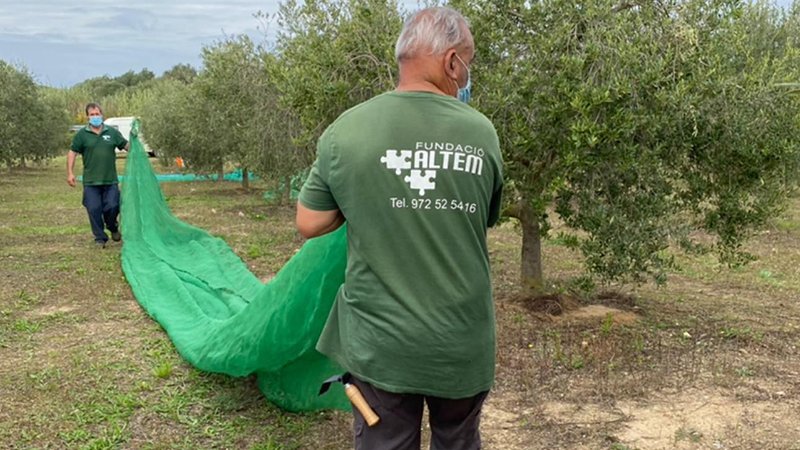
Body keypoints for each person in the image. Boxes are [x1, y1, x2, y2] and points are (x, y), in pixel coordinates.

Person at [296, 6, 503, 449]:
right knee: (458, 439)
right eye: (468, 63)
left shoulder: (346, 131)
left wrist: (361, 199)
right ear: (452, 62)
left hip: (381, 345)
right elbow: (481, 216)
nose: (467, 76)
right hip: (459, 343)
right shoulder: (481, 133)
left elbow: (309, 222)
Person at [67, 103, 129, 248]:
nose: (95, 117)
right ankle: (100, 238)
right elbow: (72, 152)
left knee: (113, 206)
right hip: (91, 181)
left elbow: (126, 146)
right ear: (87, 117)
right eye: (92, 115)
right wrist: (70, 173)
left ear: (102, 115)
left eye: (97, 114)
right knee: (93, 209)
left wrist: (135, 142)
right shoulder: (82, 135)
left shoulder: (112, 133)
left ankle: (112, 227)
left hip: (110, 180)